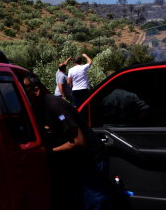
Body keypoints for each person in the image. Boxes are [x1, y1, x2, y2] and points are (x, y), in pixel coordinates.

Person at [21, 72, 111, 210]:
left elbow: (80, 142)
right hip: (73, 163)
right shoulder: (34, 110)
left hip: (90, 160)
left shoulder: (56, 107)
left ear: (36, 90)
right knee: (75, 202)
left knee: (95, 203)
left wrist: (48, 152)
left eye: (23, 89)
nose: (20, 93)